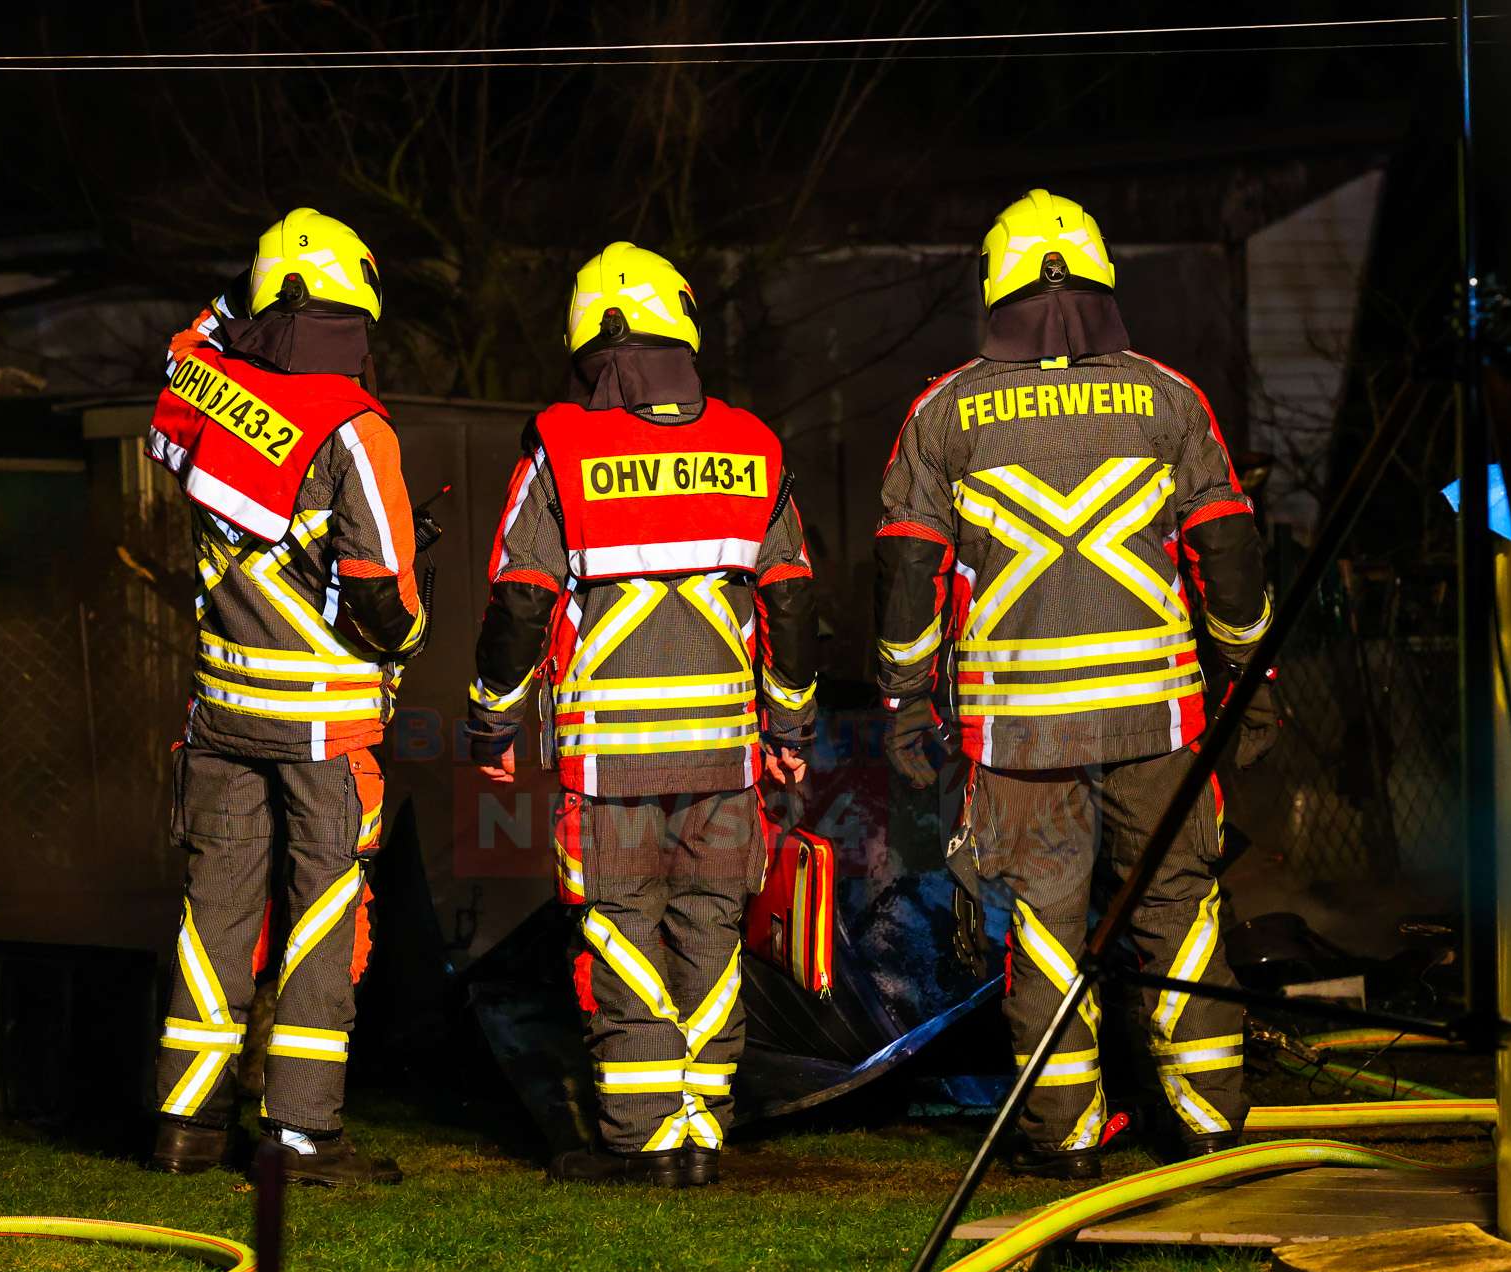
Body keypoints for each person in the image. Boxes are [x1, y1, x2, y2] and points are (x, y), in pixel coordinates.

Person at [874, 189, 1278, 1180]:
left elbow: (908, 571)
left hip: (1020, 735)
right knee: (1179, 908)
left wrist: (906, 698)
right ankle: (1208, 1125)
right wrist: (1246, 670)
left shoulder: (942, 411)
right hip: (1159, 717)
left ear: (995, 289)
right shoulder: (1170, 397)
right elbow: (1228, 553)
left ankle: (1063, 1139)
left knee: (1045, 928)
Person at [465, 242, 818, 1188]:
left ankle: (641, 1136)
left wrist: (492, 725)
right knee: (711, 928)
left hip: (609, 761)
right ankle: (702, 1128)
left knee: (622, 930)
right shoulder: (753, 444)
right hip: (725, 757)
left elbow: (520, 601)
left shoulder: (561, 447)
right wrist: (790, 729)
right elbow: (790, 601)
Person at [144, 208, 427, 1186]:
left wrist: (247, 297)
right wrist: (410, 635)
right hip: (322, 726)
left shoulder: (202, 387)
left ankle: (184, 1126)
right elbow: (385, 596)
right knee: (321, 918)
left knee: (215, 910)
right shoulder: (356, 429)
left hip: (220, 714)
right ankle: (302, 1134)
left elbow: (188, 341)